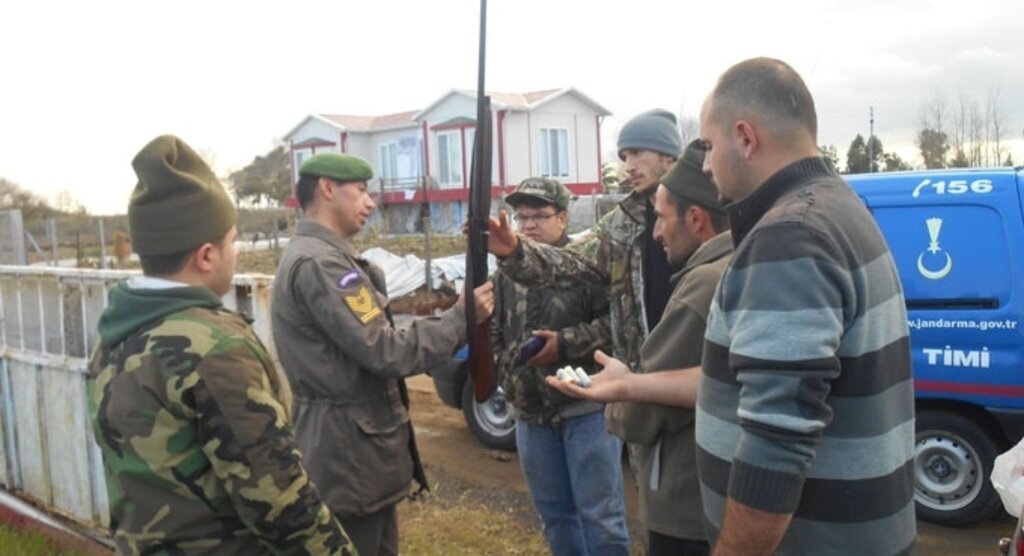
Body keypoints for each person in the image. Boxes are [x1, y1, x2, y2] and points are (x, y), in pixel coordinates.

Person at [86, 135, 353, 555]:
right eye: (232, 241)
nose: (236, 252)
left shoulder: (113, 337)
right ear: (207, 255)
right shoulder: (215, 349)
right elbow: (281, 505)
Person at [695, 58, 915, 555]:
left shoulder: (789, 236)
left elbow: (777, 440)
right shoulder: (837, 206)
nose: (706, 165)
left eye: (709, 146)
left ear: (745, 138)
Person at [271, 152, 494, 556]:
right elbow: (385, 350)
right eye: (360, 191)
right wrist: (460, 319)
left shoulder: (317, 255)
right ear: (326, 189)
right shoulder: (323, 265)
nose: (370, 202)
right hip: (349, 455)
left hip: (345, 448)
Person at [548, 140, 732, 556]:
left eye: (663, 218)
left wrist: (619, 393)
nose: (655, 231)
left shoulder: (701, 286)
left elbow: (642, 414)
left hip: (686, 501)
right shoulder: (746, 262)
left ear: (697, 219)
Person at [492, 177, 629, 555]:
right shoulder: (507, 271)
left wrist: (564, 344)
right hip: (531, 417)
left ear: (564, 218)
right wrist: (505, 368)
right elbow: (495, 329)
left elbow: (617, 326)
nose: (528, 225)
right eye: (521, 217)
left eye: (539, 215)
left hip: (585, 410)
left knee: (601, 517)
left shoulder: (588, 265)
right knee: (555, 516)